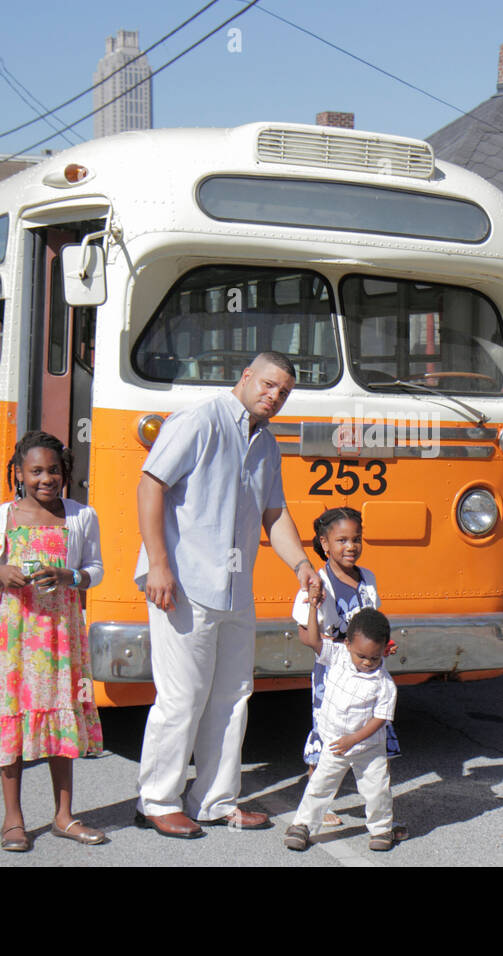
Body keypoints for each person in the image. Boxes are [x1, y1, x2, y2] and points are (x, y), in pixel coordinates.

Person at [135, 351, 322, 839]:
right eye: (267, 384)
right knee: (182, 697)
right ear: (245, 377)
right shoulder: (199, 421)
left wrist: (301, 564)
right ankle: (157, 800)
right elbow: (151, 484)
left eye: (283, 391)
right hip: (182, 583)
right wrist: (158, 564)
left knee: (233, 697)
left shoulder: (266, 444)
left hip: (236, 588)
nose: (273, 396)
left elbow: (274, 514)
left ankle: (214, 801)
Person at [0, 431, 105, 852]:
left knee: (61, 716)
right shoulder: (1, 519)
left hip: (63, 635)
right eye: (35, 471)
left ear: (64, 473)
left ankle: (64, 816)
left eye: (53, 470)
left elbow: (96, 569)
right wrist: (2, 575)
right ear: (19, 473)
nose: (45, 478)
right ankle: (13, 818)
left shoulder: (81, 517)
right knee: (12, 716)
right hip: (17, 637)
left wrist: (71, 576)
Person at [291, 507, 400, 826]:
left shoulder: (368, 579)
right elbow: (304, 634)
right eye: (341, 540)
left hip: (370, 673)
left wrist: (381, 645)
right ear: (325, 544)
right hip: (334, 673)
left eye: (356, 539)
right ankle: (317, 803)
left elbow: (373, 623)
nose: (350, 546)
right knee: (329, 735)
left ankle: (380, 807)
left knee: (373, 730)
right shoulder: (317, 583)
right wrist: (342, 648)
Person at [284, 607, 397, 852]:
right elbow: (313, 640)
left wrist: (354, 739)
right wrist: (313, 606)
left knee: (377, 790)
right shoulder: (337, 655)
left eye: (374, 658)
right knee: (320, 786)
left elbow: (380, 719)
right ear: (347, 644)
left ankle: (381, 829)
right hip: (335, 742)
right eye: (361, 656)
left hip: (368, 748)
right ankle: (302, 825)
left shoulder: (384, 684)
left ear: (383, 651)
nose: (367, 663)